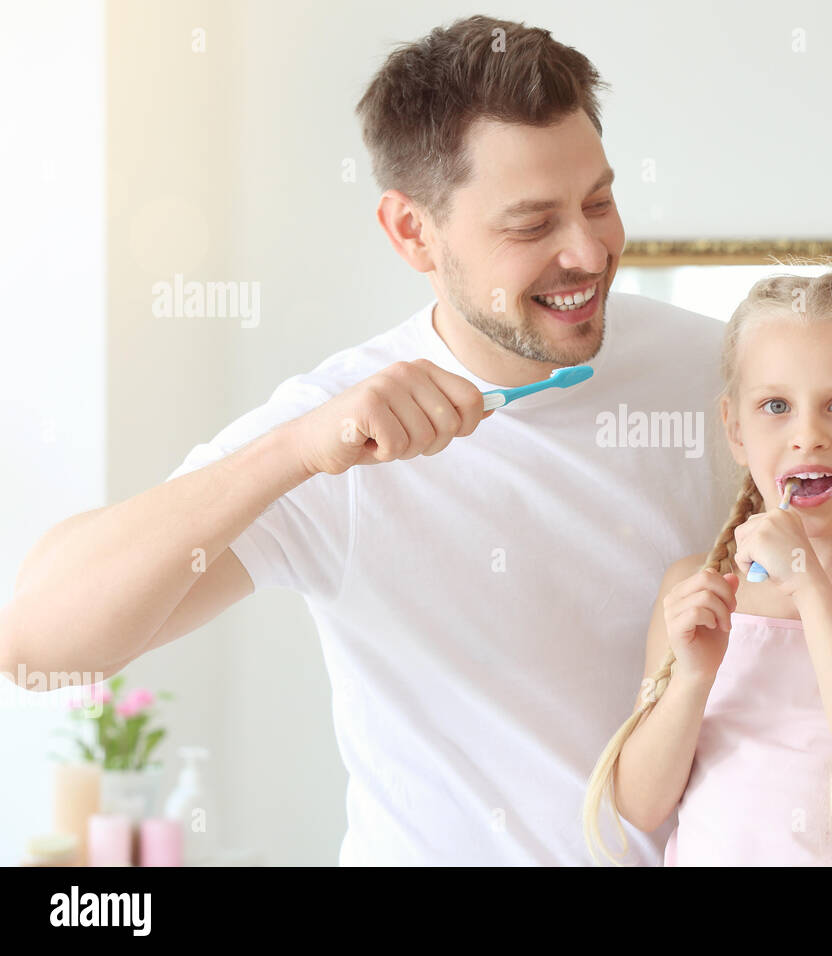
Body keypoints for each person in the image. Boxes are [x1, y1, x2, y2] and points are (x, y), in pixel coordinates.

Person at [0, 16, 733, 865]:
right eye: (532, 226)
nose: (590, 250)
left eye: (599, 201)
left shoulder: (717, 372)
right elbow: (36, 650)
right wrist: (291, 453)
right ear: (411, 232)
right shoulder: (331, 434)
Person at [583, 270, 832, 865]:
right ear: (736, 429)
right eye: (775, 407)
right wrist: (691, 677)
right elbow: (640, 804)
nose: (807, 435)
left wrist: (811, 590)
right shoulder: (691, 587)